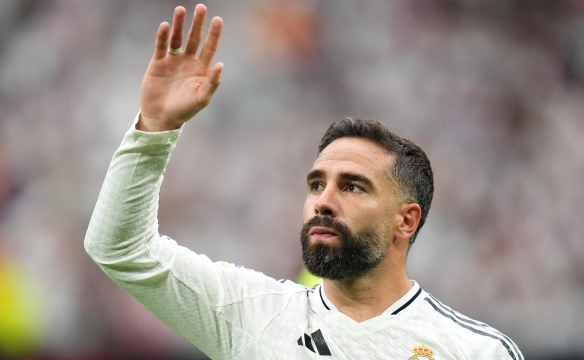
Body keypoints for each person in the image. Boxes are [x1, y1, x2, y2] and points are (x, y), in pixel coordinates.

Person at [85, 4, 523, 359]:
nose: (324, 201)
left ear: (406, 221)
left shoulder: (476, 351)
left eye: (352, 186)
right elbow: (120, 250)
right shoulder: (253, 313)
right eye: (316, 185)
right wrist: (154, 130)